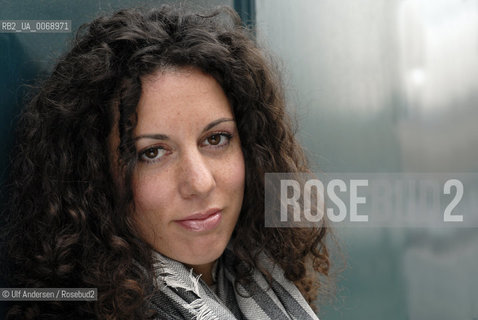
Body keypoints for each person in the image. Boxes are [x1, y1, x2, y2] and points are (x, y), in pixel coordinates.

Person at [0, 5, 330, 319]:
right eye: (152, 152)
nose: (200, 182)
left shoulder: (269, 284)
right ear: (95, 177)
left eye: (215, 139)